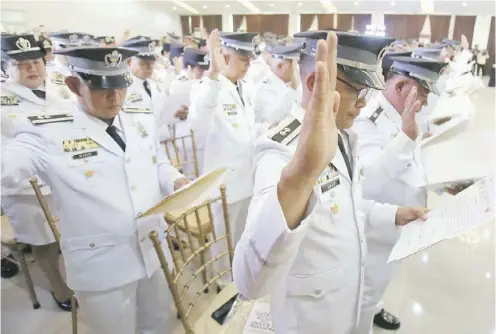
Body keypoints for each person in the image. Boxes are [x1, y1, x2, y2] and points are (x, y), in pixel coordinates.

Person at [232, 30, 427, 334]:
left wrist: (393, 215)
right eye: (359, 92)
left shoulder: (345, 134)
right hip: (309, 321)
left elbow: (346, 203)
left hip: (344, 304)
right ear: (314, 84)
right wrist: (301, 176)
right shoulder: (281, 149)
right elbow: (248, 281)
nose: (364, 104)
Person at [2, 46, 190, 334]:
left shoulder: (139, 118)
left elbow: (157, 162)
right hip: (102, 265)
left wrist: (175, 180)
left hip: (153, 248)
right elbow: (8, 165)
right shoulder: (49, 131)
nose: (115, 97)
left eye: (120, 87)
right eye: (103, 89)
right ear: (75, 85)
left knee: (158, 323)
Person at [351, 56, 448, 333]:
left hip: (397, 228)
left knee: (380, 285)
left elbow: (411, 165)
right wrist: (406, 137)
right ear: (402, 86)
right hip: (377, 231)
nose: (427, 102)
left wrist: (442, 184)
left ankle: (377, 306)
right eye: (424, 93)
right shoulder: (368, 122)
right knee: (365, 294)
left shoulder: (402, 116)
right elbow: (367, 183)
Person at [1, 33, 74, 311]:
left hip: (64, 179)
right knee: (43, 244)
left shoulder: (60, 86)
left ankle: (73, 277)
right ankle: (59, 289)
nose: (32, 69)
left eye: (35, 61)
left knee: (66, 236)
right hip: (26, 189)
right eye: (21, 64)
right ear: (7, 67)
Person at [189, 30, 264, 286]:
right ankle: (223, 285)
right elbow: (197, 123)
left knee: (243, 236)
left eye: (249, 59)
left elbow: (256, 124)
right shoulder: (207, 88)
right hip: (226, 184)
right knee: (224, 239)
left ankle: (240, 279)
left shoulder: (247, 88)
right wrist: (213, 72)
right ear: (225, 56)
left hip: (248, 178)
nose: (248, 64)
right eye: (243, 59)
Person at [166, 48, 210, 177]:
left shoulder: (206, 82)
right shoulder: (178, 84)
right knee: (190, 173)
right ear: (189, 67)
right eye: (199, 69)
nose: (203, 72)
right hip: (186, 136)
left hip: (204, 135)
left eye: (204, 69)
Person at [121, 38, 170, 142]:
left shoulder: (154, 85)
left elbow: (163, 115)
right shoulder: (122, 89)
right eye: (143, 63)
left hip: (160, 144)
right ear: (128, 62)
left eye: (152, 62)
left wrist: (176, 115)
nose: (149, 67)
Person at [252, 43, 300, 125]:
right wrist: (292, 90)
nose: (295, 72)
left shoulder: (280, 85)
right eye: (293, 68)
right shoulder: (267, 90)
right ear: (281, 66)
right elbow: (275, 121)